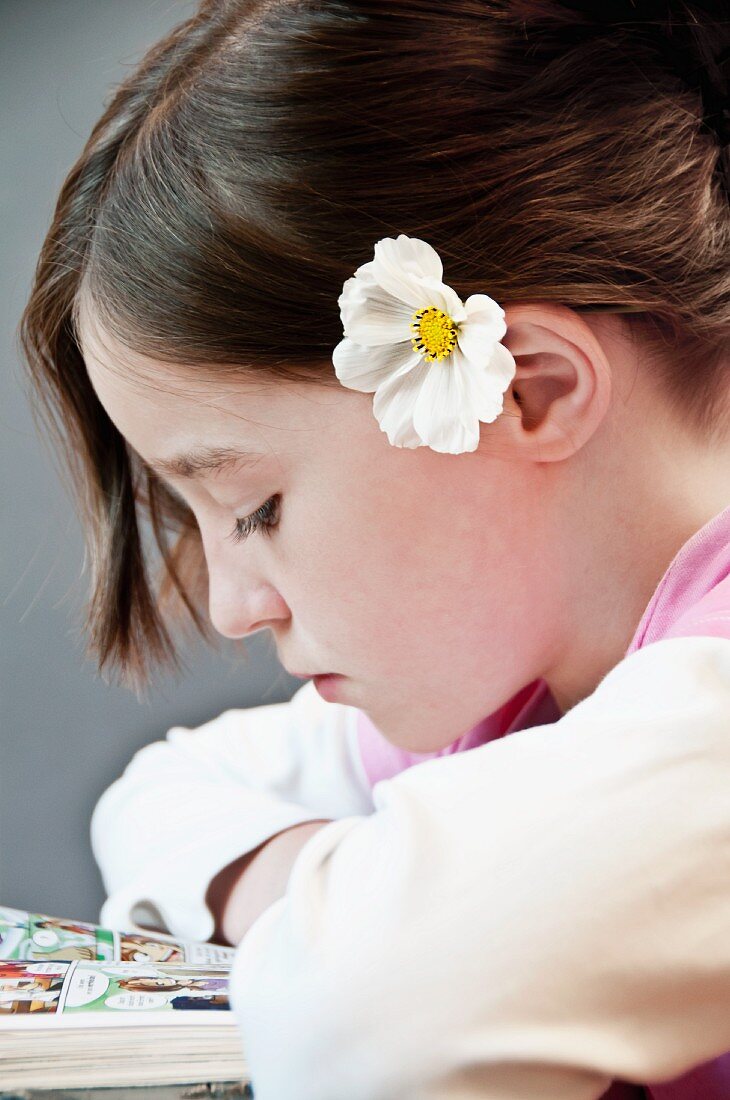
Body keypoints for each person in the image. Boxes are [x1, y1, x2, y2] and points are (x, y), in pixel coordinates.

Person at [17, 0, 730, 1097]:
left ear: (527, 389)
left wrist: (356, 908)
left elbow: (371, 1015)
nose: (232, 605)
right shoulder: (533, 680)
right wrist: (340, 879)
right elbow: (163, 787)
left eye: (253, 506)